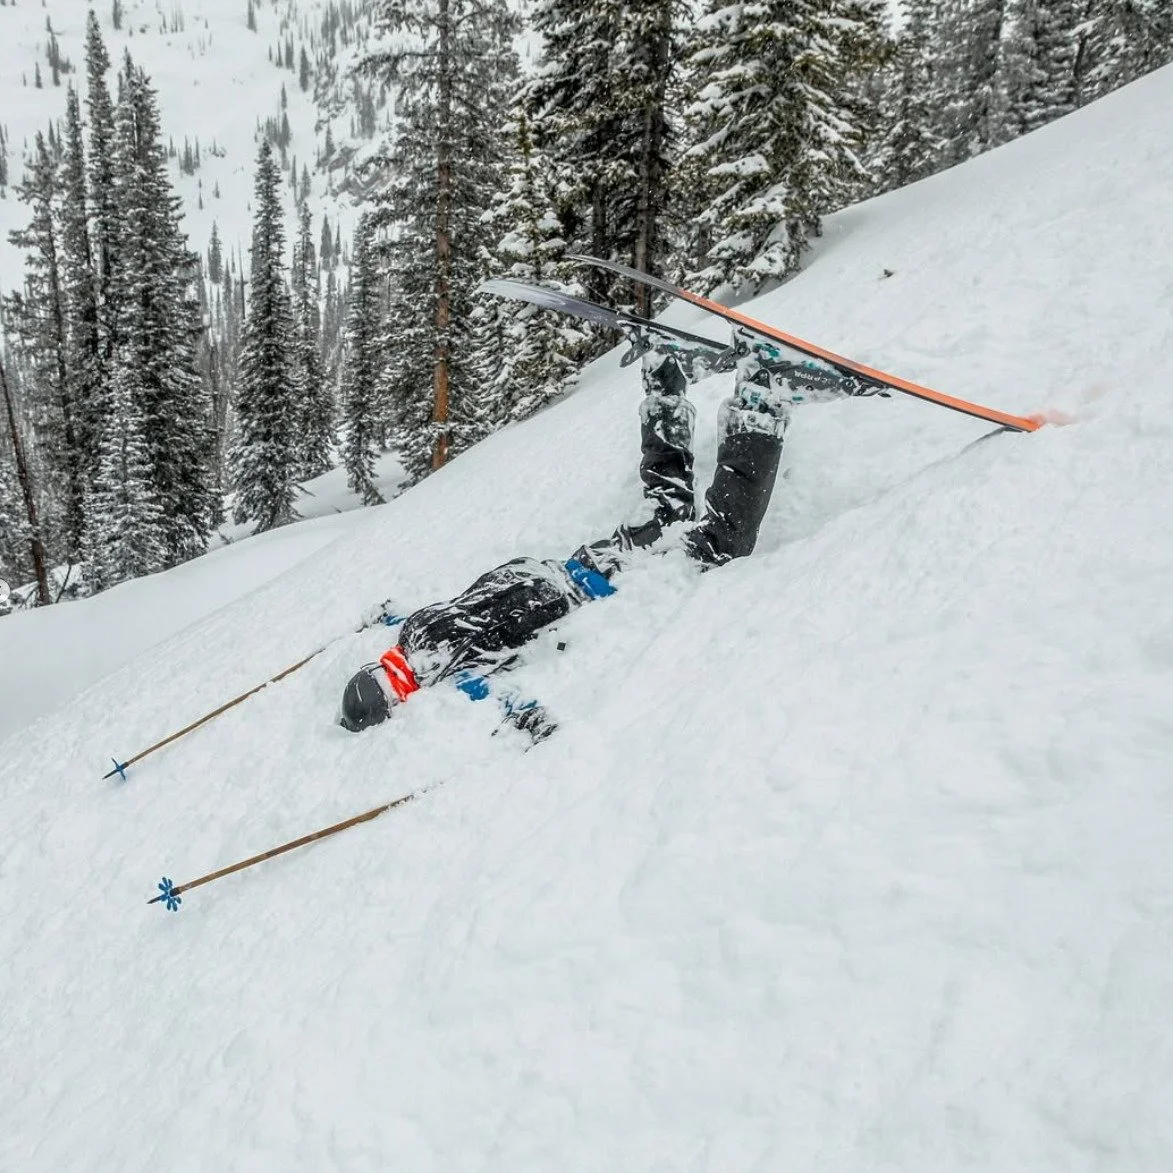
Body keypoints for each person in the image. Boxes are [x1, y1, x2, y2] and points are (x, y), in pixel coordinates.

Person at [338, 328, 849, 737]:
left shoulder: (443, 669)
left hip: (611, 586)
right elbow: (442, 609)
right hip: (587, 560)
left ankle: (761, 397)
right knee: (665, 510)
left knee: (720, 542)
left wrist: (530, 722)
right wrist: (387, 614)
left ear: (396, 702)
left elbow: (494, 694)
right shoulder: (415, 631)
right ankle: (664, 378)